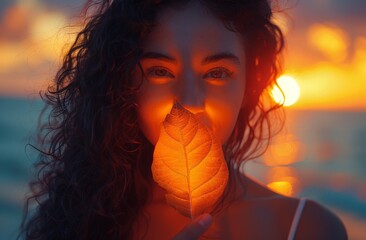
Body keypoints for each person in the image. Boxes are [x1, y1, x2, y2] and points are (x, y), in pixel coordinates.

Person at [20, 0, 348, 239]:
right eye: (161, 72)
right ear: (122, 85)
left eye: (217, 73)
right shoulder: (80, 219)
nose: (190, 101)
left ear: (249, 84)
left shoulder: (309, 228)